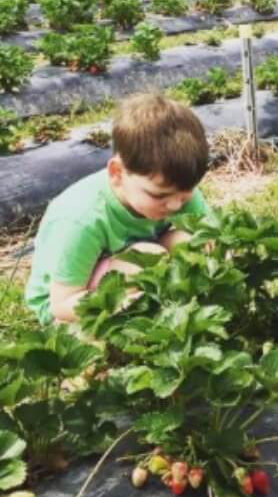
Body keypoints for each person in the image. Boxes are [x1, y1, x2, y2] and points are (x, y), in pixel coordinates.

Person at [25, 93, 210, 325]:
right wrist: (124, 306)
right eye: (158, 195)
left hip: (124, 268)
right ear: (117, 174)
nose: (174, 205)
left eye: (185, 194)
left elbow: (212, 235)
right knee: (148, 256)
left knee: (193, 240)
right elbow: (61, 304)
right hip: (68, 302)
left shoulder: (175, 189)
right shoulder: (81, 218)